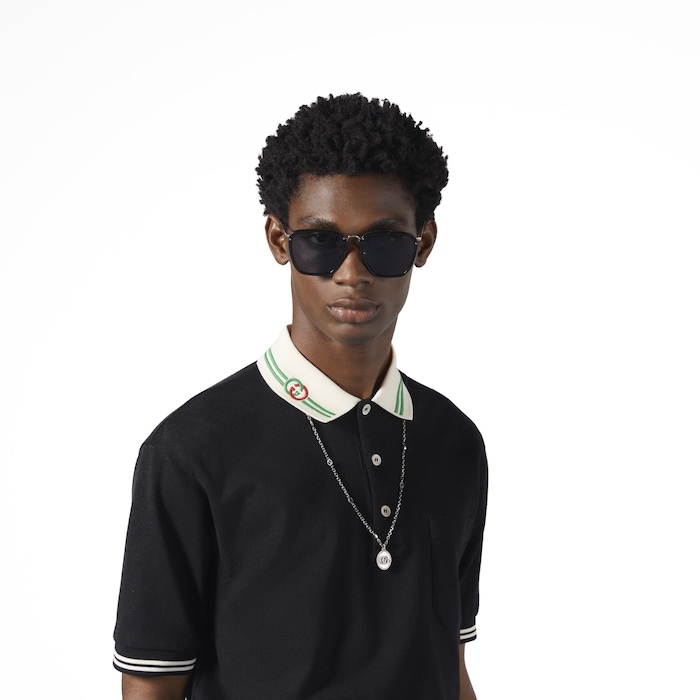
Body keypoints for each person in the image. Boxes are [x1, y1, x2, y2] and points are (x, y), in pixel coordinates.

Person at [113, 93, 488, 700]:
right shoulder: (189, 451)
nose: (351, 272)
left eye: (384, 243)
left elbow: (449, 663)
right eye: (321, 242)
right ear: (278, 240)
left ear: (423, 244)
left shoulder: (455, 440)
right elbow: (152, 685)